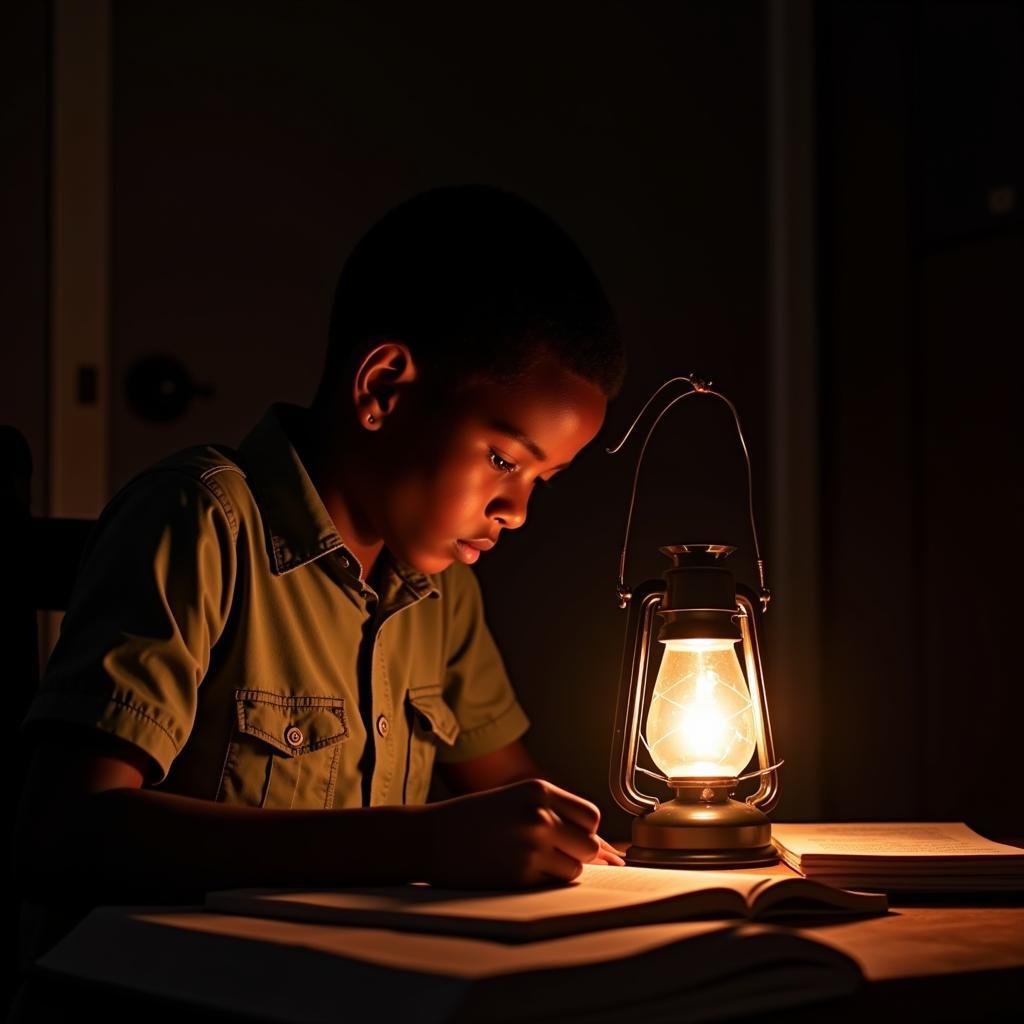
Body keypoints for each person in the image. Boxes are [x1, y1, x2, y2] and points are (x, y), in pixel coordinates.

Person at [12, 185, 628, 973]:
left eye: (543, 480)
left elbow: (517, 800)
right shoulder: (202, 522)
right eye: (506, 460)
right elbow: (63, 833)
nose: (517, 510)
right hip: (162, 1009)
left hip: (348, 998)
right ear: (383, 390)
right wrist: (425, 841)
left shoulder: (441, 594)